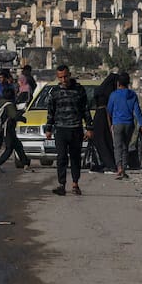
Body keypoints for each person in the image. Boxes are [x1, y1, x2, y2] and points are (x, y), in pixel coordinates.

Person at [45, 65, 93, 195]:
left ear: (69, 75)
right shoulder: (54, 92)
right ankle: (62, 184)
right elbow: (51, 112)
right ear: (57, 77)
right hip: (60, 129)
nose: (63, 79)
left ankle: (75, 184)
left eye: (65, 76)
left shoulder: (79, 90)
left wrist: (89, 127)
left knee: (75, 157)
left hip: (75, 128)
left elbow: (85, 110)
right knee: (61, 158)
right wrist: (48, 129)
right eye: (60, 77)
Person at [107, 73, 142, 179]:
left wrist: (110, 122)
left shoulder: (114, 95)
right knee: (125, 146)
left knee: (117, 146)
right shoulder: (132, 95)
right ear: (128, 83)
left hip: (117, 123)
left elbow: (109, 110)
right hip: (129, 124)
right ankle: (123, 168)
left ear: (118, 83)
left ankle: (119, 167)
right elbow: (137, 112)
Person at [0, 85, 29, 171]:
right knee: (9, 149)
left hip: (6, 130)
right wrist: (23, 118)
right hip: (8, 130)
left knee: (18, 147)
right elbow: (14, 116)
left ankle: (26, 164)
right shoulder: (9, 105)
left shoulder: (2, 103)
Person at [0, 69, 14, 150]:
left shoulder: (9, 85)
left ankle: (0, 144)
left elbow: (13, 94)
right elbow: (3, 93)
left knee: (3, 125)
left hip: (7, 107)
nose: (0, 79)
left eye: (2, 78)